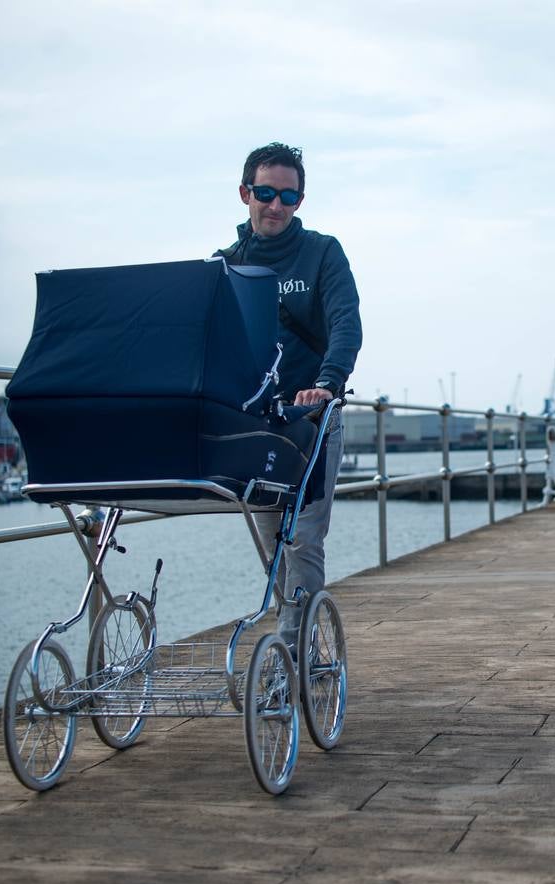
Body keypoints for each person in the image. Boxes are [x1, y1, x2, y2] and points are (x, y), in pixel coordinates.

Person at [215, 142, 362, 645]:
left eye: (288, 196)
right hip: (256, 424)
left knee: (301, 540)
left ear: (300, 200)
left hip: (312, 418)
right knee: (270, 542)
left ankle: (290, 652)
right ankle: (298, 635)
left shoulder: (323, 252)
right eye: (265, 193)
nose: (276, 205)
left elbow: (346, 323)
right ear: (244, 193)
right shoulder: (225, 264)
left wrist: (327, 384)